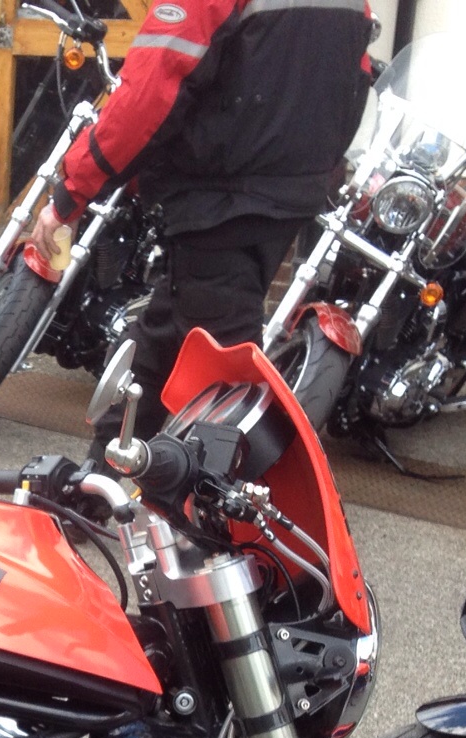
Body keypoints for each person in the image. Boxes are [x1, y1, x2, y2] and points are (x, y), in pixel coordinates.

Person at [29, 0, 374, 448]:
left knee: (223, 383)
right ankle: (104, 468)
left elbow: (150, 89)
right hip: (287, 194)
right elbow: (356, 83)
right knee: (167, 335)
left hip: (219, 192)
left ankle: (217, 482)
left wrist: (72, 191)